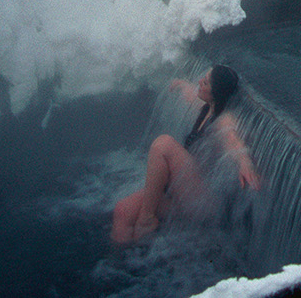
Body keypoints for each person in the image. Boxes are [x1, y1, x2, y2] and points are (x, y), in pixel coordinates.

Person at [112, 65, 262, 244]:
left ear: (216, 93)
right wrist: (182, 84)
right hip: (183, 189)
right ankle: (119, 261)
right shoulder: (206, 107)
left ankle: (147, 221)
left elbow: (233, 141)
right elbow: (191, 95)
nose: (200, 82)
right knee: (123, 210)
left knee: (164, 145)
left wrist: (245, 162)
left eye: (205, 82)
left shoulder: (223, 119)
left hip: (205, 201)